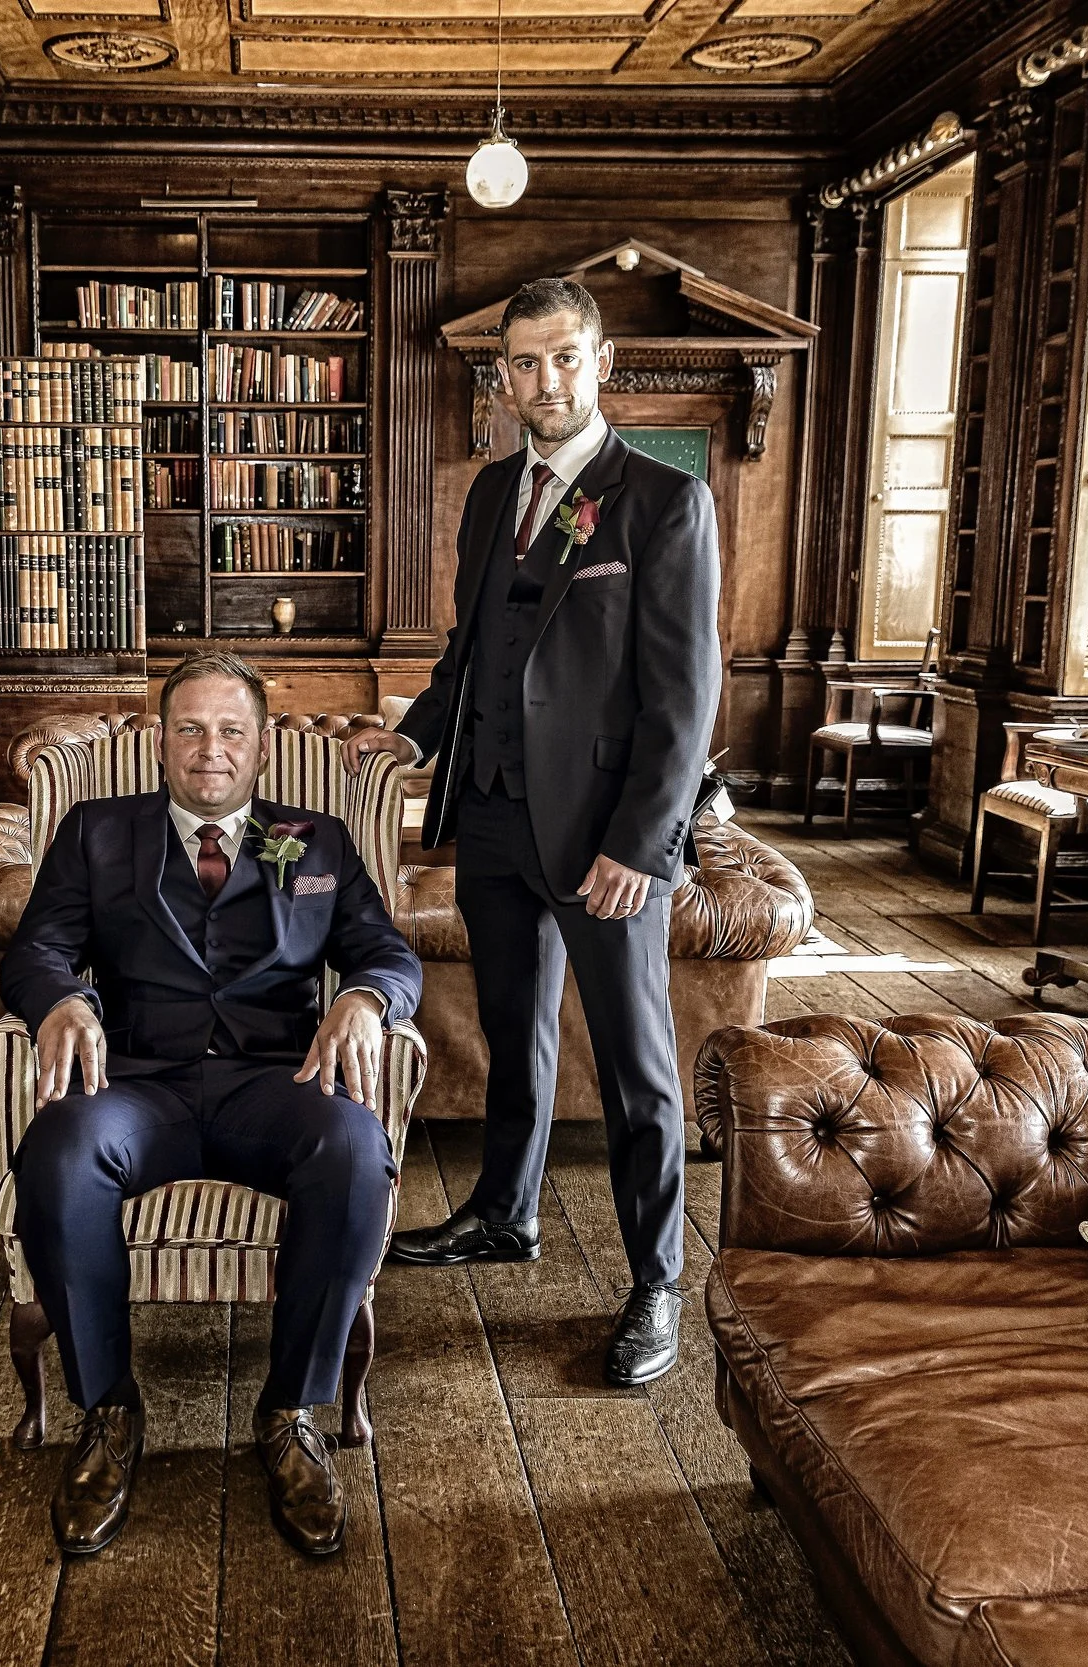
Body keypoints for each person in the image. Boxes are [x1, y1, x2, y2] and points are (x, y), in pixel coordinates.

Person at [343, 276, 721, 1388]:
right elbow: (468, 653)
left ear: (601, 363)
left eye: (563, 357)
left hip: (605, 839)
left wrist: (640, 846)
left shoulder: (664, 501)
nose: (543, 380)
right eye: (522, 362)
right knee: (513, 1031)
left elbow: (683, 700)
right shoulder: (488, 494)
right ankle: (506, 1212)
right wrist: (414, 737)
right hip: (493, 818)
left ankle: (657, 1280)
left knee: (637, 1065)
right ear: (501, 376)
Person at [1, 651, 423, 1558]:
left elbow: (388, 952)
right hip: (136, 1084)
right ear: (161, 741)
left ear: (262, 746)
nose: (210, 749)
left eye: (231, 730)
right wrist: (63, 1000)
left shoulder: (316, 841)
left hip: (277, 1084)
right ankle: (109, 1411)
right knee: (59, 1152)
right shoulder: (96, 831)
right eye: (189, 728)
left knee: (356, 1152)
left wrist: (364, 998)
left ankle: (291, 1412)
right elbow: (36, 950)